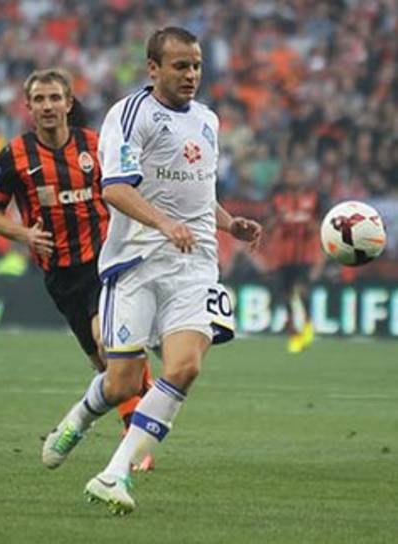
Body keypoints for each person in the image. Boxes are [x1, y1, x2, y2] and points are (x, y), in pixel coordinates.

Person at [41, 28, 262, 515]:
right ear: (153, 68)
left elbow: (196, 194)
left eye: (196, 65)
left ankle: (115, 473)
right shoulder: (129, 114)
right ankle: (79, 418)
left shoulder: (208, 120)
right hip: (136, 263)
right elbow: (115, 189)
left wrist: (229, 223)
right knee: (120, 382)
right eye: (180, 66)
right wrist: (164, 224)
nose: (191, 75)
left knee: (185, 367)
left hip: (194, 264)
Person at [0, 68, 155, 471]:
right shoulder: (14, 156)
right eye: (39, 99)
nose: (47, 106)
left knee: (107, 345)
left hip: (104, 263)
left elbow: (128, 190)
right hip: (60, 277)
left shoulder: (95, 145)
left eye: (54, 98)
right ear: (28, 107)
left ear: (68, 103)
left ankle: (137, 444)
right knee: (106, 367)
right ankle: (136, 409)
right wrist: (25, 234)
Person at [265, 166, 324, 353]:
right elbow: (268, 225)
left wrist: (308, 224)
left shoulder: (313, 198)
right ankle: (294, 333)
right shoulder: (278, 199)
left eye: (297, 174)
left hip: (304, 255)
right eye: (290, 175)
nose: (293, 178)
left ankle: (308, 325)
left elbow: (321, 225)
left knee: (302, 290)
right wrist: (280, 220)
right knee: (285, 295)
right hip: (282, 256)